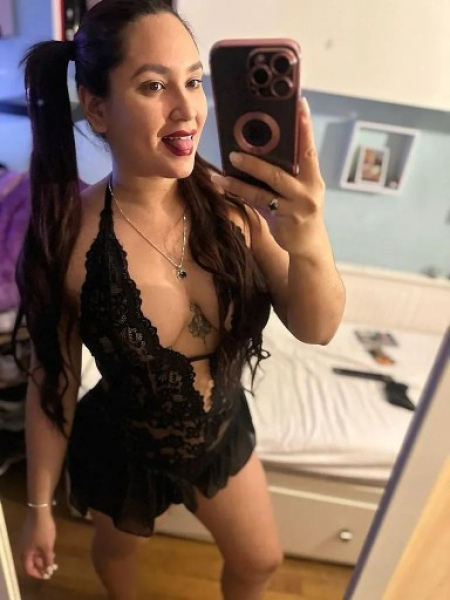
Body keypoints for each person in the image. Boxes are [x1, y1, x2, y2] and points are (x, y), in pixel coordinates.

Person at [16, 1, 345, 599]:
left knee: (261, 561)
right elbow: (52, 379)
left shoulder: (237, 209)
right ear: (97, 107)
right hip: (125, 446)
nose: (187, 108)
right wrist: (38, 507)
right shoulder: (68, 242)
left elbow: (317, 328)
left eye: (193, 81)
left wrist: (311, 241)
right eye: (153, 85)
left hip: (220, 432)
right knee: (118, 553)